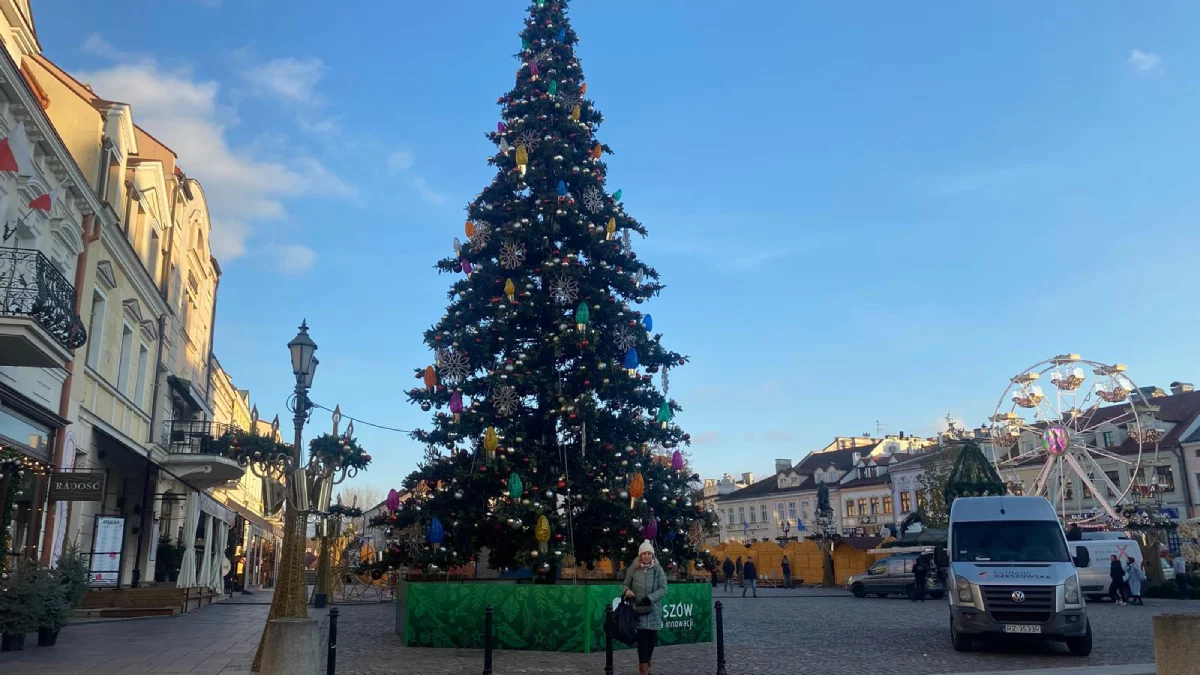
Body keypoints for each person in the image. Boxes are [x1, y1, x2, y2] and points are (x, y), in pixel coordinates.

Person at [623, 540, 668, 675]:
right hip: (638, 610)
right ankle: (643, 669)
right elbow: (625, 585)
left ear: (652, 555)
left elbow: (664, 589)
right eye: (644, 553)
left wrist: (650, 598)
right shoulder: (633, 569)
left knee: (651, 641)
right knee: (642, 640)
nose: (647, 556)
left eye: (649, 553)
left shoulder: (658, 570)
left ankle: (647, 661)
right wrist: (627, 592)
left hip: (653, 610)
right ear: (640, 555)